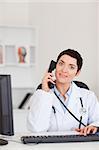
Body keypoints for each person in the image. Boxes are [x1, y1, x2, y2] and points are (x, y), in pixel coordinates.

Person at [27, 49, 99, 135]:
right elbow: (35, 129)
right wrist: (45, 92)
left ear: (77, 73)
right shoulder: (42, 95)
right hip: (49, 146)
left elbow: (97, 121)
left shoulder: (88, 96)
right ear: (54, 66)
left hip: (79, 146)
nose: (64, 70)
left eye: (71, 67)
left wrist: (94, 126)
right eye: (61, 64)